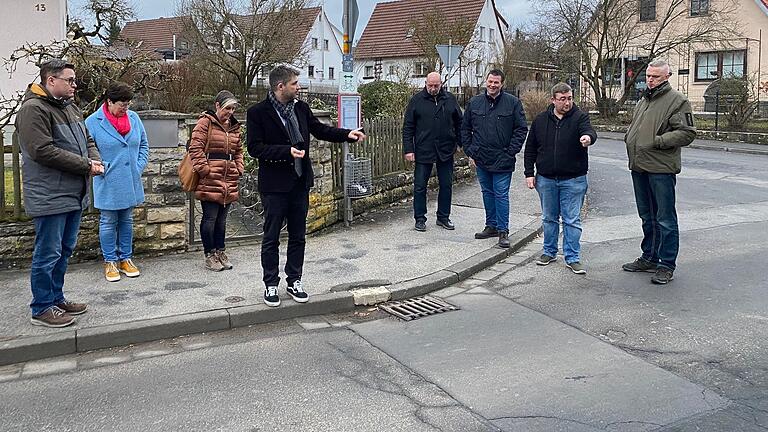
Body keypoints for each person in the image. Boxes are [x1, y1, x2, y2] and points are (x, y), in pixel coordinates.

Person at [247, 66, 365, 307]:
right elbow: (254, 148)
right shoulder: (258, 112)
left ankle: (294, 280)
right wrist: (285, 152)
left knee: (298, 236)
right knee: (271, 237)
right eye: (294, 83)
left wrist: (347, 134)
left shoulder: (300, 108)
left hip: (299, 182)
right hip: (274, 185)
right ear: (280, 86)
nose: (298, 87)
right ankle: (271, 284)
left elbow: (320, 130)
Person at [15, 59, 103, 327]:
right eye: (70, 80)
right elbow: (42, 150)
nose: (75, 85)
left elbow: (87, 139)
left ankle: (56, 298)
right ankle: (41, 307)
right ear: (51, 81)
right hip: (49, 196)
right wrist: (86, 165)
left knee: (63, 250)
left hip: (72, 194)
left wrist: (94, 159)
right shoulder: (33, 110)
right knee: (48, 253)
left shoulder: (69, 107)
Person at [622, 59, 696, 284]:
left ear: (667, 77)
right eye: (648, 76)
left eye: (655, 77)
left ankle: (666, 263)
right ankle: (649, 257)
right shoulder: (643, 100)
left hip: (661, 168)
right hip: (639, 166)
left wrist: (657, 141)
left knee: (665, 218)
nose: (650, 80)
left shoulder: (677, 101)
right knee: (647, 216)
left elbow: (687, 133)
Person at [524, 83, 597, 274]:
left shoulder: (580, 117)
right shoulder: (540, 121)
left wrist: (587, 138)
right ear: (553, 100)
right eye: (562, 99)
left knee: (571, 220)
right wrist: (529, 174)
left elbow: (590, 132)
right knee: (549, 218)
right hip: (546, 179)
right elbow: (530, 148)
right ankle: (549, 251)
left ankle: (572, 257)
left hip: (573, 179)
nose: (567, 102)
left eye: (570, 98)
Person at [85, 82, 149, 282]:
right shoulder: (93, 122)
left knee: (127, 219)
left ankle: (126, 259)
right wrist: (103, 168)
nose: (126, 108)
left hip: (130, 179)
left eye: (128, 104)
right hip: (108, 180)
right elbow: (87, 150)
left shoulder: (134, 118)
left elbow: (144, 145)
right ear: (109, 101)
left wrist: (137, 168)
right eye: (122, 104)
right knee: (108, 221)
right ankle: (110, 261)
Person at [461, 69, 528, 248]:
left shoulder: (512, 103)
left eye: (496, 82)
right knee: (487, 193)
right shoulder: (475, 103)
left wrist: (510, 152)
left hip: (503, 159)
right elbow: (464, 129)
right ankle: (491, 226)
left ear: (501, 84)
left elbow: (521, 129)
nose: (492, 85)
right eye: (490, 81)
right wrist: (470, 151)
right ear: (486, 81)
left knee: (501, 195)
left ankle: (503, 231)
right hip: (481, 158)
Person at [188, 90, 244, 271]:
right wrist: (205, 170)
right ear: (217, 106)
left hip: (229, 179)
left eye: (233, 109)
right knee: (210, 218)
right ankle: (209, 254)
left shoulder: (235, 127)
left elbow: (238, 151)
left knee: (222, 220)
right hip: (211, 179)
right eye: (227, 108)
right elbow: (195, 148)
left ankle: (220, 251)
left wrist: (239, 168)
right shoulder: (205, 123)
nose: (230, 112)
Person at [402, 72, 463, 231]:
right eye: (430, 85)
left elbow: (460, 123)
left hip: (446, 149)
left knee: (446, 185)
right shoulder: (416, 100)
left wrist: (460, 143)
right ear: (425, 83)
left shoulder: (450, 99)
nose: (433, 89)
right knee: (420, 186)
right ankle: (420, 218)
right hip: (424, 149)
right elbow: (408, 127)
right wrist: (409, 149)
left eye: (436, 85)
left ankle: (443, 217)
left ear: (441, 84)